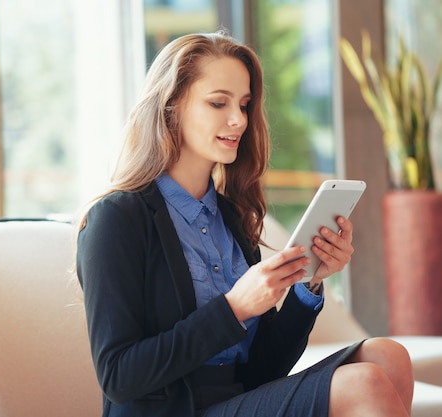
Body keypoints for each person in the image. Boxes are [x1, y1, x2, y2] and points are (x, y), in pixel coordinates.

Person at [75, 32, 413, 417]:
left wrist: (310, 282)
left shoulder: (232, 216)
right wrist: (234, 307)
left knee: (389, 356)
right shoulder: (116, 220)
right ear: (171, 107)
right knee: (363, 385)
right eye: (218, 103)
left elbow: (265, 370)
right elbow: (118, 376)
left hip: (236, 401)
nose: (238, 120)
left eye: (244, 104)